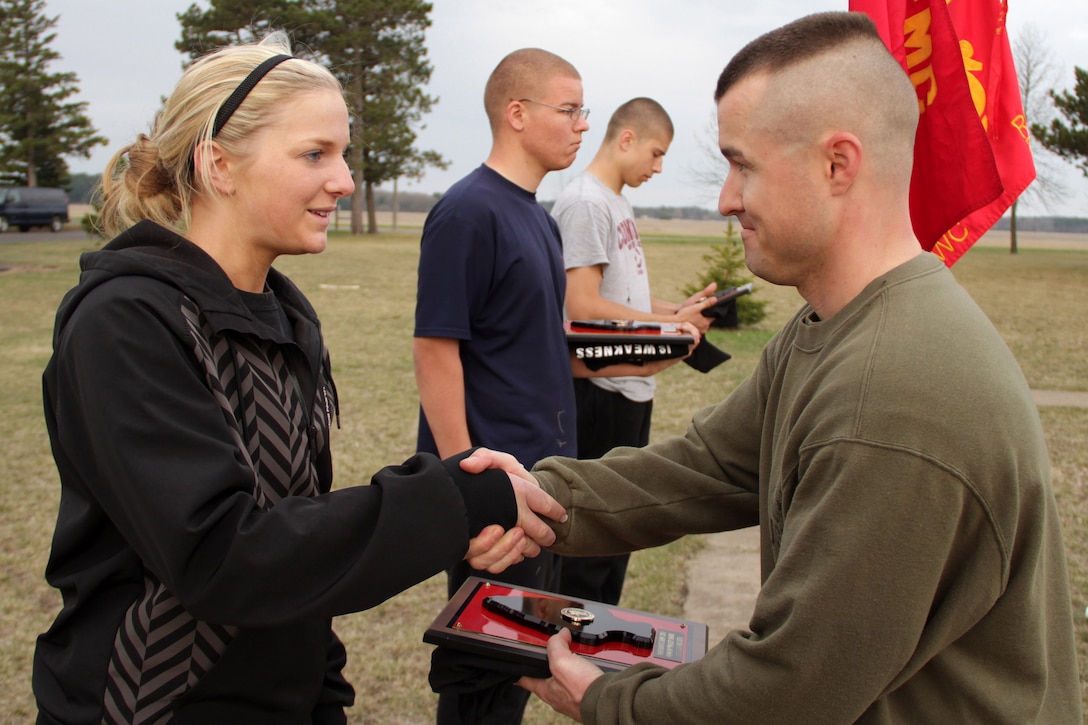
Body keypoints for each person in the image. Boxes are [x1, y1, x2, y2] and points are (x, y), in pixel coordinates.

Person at [462, 12, 1083, 723]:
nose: (726, 199)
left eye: (742, 164)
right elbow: (711, 466)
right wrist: (538, 496)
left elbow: (790, 688)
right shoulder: (831, 324)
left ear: (836, 165)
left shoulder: (891, 397)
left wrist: (609, 701)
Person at [33, 34, 567, 724]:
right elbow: (221, 553)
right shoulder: (126, 321)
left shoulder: (285, 316)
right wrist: (450, 501)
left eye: (342, 153)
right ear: (219, 164)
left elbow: (296, 530)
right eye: (315, 154)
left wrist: (323, 694)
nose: (344, 180)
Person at [413, 48, 698, 725]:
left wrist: (646, 353)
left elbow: (553, 348)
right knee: (482, 677)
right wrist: (466, 480)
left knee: (518, 669)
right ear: (516, 114)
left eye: (583, 111)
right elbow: (435, 350)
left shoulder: (537, 218)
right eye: (568, 110)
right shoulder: (468, 212)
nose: (581, 126)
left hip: (540, 484)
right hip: (493, 488)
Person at [551, 97, 716, 606]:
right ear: (627, 139)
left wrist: (673, 311)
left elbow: (622, 299)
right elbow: (580, 304)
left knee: (618, 531)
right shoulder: (585, 203)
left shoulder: (614, 200)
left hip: (630, 387)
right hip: (601, 389)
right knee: (595, 535)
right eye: (656, 153)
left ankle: (598, 648)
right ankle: (578, 653)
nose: (659, 167)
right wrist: (669, 324)